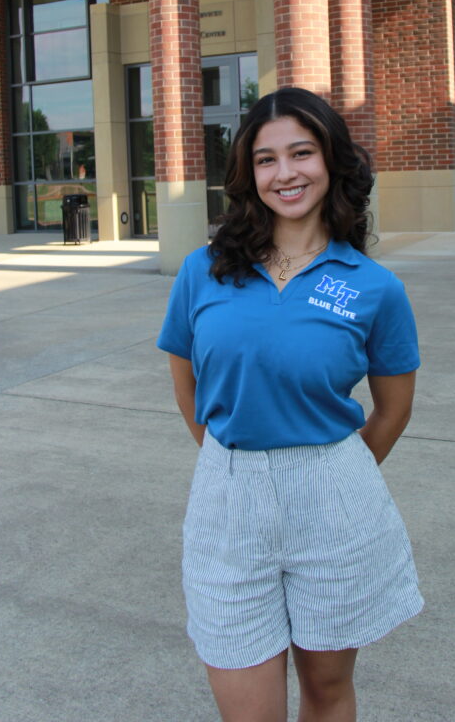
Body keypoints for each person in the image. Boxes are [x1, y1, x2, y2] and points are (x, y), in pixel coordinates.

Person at [158, 87, 423, 722]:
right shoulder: (204, 271)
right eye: (266, 159)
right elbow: (187, 386)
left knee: (327, 692)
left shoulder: (374, 287)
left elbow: (392, 411)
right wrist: (241, 466)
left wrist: (329, 473)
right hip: (228, 497)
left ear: (329, 160)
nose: (286, 173)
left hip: (333, 500)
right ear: (249, 175)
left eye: (301, 153)